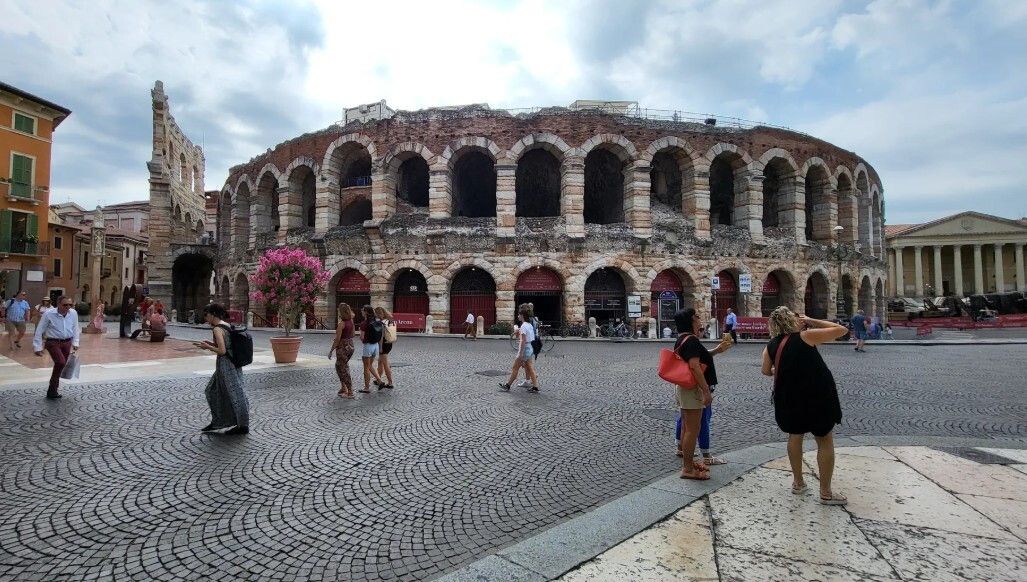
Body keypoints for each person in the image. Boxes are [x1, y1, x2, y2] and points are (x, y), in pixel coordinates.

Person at [761, 307, 848, 505]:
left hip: (788, 397)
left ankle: (798, 483)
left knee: (795, 435)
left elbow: (765, 370)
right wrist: (811, 320)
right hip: (816, 396)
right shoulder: (806, 336)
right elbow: (841, 330)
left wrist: (786, 368)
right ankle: (826, 492)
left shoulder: (771, 345)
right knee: (824, 439)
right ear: (791, 321)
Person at [673, 308, 732, 480]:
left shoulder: (683, 338)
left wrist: (716, 351)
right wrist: (706, 391)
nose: (700, 319)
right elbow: (694, 366)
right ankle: (687, 469)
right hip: (693, 389)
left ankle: (689, 463)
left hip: (684, 387)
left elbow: (697, 357)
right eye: (697, 316)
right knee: (693, 429)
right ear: (691, 321)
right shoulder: (691, 340)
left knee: (687, 427)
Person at [194, 303, 249, 435]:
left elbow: (222, 350)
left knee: (233, 393)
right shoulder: (226, 324)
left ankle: (241, 425)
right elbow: (226, 344)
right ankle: (220, 422)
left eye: (206, 315)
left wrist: (207, 347)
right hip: (233, 362)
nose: (206, 318)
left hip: (226, 364)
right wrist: (210, 343)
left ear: (213, 314)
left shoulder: (217, 329)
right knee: (219, 390)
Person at [32, 295, 81, 399]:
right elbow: (39, 329)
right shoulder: (49, 314)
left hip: (67, 342)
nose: (68, 307)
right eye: (65, 305)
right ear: (58, 304)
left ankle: (52, 390)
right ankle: (53, 388)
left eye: (70, 305)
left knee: (60, 365)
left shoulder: (73, 313)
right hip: (52, 342)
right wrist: (37, 347)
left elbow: (75, 327)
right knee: (60, 362)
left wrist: (76, 342)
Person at [499, 304, 540, 393]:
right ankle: (535, 386)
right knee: (530, 368)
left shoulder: (524, 326)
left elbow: (523, 341)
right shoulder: (529, 325)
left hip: (525, 349)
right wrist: (519, 331)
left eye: (519, 314)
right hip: (530, 347)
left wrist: (520, 354)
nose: (518, 316)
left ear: (522, 316)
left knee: (515, 368)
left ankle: (508, 385)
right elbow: (529, 337)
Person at [329, 304, 356, 398]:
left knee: (343, 369)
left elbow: (337, 339)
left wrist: (331, 350)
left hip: (342, 347)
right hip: (350, 345)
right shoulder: (351, 321)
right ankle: (343, 387)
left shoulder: (342, 324)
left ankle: (350, 391)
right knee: (339, 366)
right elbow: (353, 334)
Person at [358, 305, 385, 393]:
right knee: (370, 365)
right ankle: (379, 381)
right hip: (375, 346)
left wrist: (361, 336)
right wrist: (380, 347)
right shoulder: (377, 321)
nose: (361, 312)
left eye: (362, 310)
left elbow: (362, 337)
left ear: (366, 312)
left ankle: (366, 388)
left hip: (368, 346)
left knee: (366, 367)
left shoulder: (364, 323)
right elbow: (381, 336)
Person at [374, 306, 396, 390]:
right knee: (380, 361)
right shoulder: (390, 321)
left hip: (383, 344)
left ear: (379, 314)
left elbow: (381, 337)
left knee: (385, 363)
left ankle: (390, 382)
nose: (375, 316)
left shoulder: (381, 323)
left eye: (376, 314)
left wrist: (380, 348)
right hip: (389, 343)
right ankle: (378, 379)